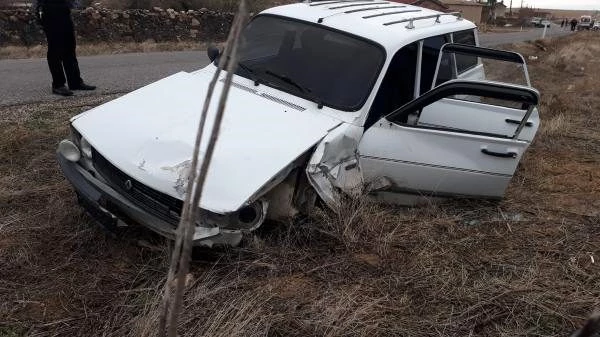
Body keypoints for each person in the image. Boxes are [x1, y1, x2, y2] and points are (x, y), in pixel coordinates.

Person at [35, 0, 96, 96]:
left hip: (64, 9)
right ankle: (58, 85)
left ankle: (75, 82)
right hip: (49, 10)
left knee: (70, 47)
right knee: (55, 49)